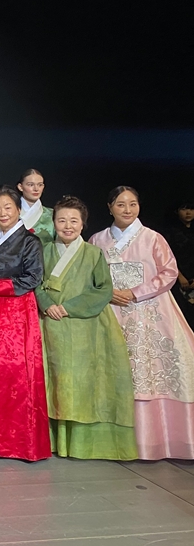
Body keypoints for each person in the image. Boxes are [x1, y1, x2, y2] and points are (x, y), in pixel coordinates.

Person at [91, 186, 194, 460]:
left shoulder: (153, 238)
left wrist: (137, 292)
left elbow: (170, 272)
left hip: (150, 311)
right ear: (110, 207)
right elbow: (88, 274)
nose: (127, 209)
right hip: (112, 310)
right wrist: (107, 292)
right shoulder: (98, 240)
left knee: (154, 368)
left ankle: (159, 439)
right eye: (121, 204)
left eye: (133, 204)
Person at [37, 195, 137, 460]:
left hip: (83, 327)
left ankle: (83, 443)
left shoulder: (93, 253)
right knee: (54, 382)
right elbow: (34, 281)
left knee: (81, 383)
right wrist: (47, 304)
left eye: (73, 221)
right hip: (50, 324)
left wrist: (69, 307)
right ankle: (53, 441)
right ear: (54, 223)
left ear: (83, 225)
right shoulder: (44, 250)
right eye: (61, 220)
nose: (67, 226)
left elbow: (103, 289)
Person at [0, 185, 49, 461]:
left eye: (8, 207)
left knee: (18, 374)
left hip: (17, 312)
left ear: (19, 210)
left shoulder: (31, 242)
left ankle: (23, 444)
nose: (2, 213)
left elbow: (32, 278)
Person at [163, 200, 194, 329]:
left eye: (191, 209)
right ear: (176, 211)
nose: (188, 213)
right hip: (177, 278)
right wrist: (180, 277)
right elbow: (167, 257)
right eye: (184, 209)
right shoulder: (170, 232)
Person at [18, 168, 54, 245]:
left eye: (40, 185)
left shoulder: (52, 214)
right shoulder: (9, 214)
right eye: (31, 185)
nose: (36, 189)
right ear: (20, 187)